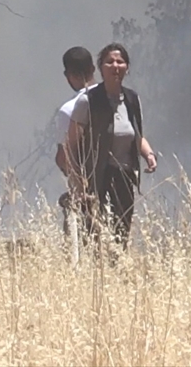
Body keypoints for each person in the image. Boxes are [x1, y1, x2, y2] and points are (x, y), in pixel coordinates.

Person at [63, 42, 157, 246]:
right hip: (96, 178)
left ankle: (117, 272)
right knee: (94, 235)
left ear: (127, 67)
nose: (115, 66)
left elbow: (136, 135)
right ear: (100, 68)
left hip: (124, 176)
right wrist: (79, 182)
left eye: (120, 62)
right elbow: (70, 145)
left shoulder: (132, 100)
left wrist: (148, 155)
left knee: (120, 234)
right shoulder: (88, 101)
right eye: (110, 62)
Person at [54, 47, 96, 233]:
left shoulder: (69, 110)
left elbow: (64, 158)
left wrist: (76, 183)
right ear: (93, 68)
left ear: (68, 74)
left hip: (84, 195)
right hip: (118, 190)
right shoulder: (116, 100)